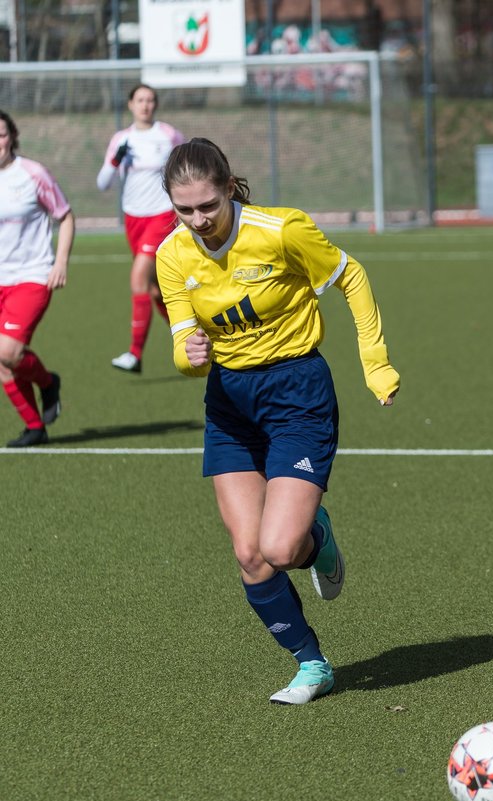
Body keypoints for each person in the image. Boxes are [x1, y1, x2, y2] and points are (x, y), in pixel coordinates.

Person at [156, 138, 400, 705]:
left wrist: (376, 364)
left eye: (208, 206)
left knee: (282, 549)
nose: (198, 221)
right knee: (250, 553)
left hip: (296, 392)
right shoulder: (172, 255)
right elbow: (181, 344)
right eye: (184, 210)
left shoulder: (281, 229)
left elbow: (352, 277)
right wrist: (185, 357)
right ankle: (312, 664)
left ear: (228, 188)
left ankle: (318, 536)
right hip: (230, 406)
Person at [97, 84, 185, 373]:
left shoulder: (169, 135)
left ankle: (135, 354)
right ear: (130, 105)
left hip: (162, 217)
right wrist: (115, 159)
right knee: (155, 291)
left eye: (150, 100)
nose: (145, 105)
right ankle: (192, 339)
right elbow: (102, 183)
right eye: (140, 100)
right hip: (133, 219)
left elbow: (187, 170)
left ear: (155, 104)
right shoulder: (121, 139)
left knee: (138, 280)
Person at [0, 110, 73, 448]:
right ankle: (34, 426)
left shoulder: (32, 174)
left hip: (30, 276)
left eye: (1, 134)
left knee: (8, 352)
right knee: (3, 361)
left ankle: (47, 383)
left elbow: (65, 215)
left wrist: (60, 261)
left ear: (12, 136)